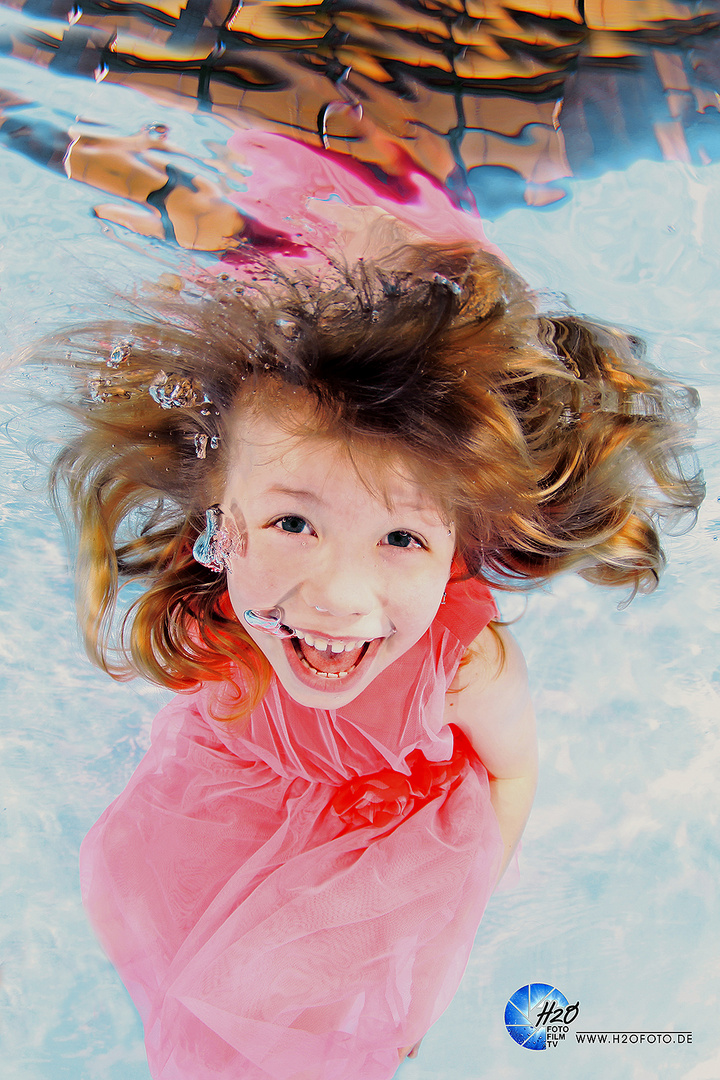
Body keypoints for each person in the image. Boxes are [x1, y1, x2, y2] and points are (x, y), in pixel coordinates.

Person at [41, 231, 702, 1080]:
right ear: (222, 512)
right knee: (163, 943)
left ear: (459, 538)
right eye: (292, 524)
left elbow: (513, 775)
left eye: (400, 537)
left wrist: (439, 950)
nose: (338, 598)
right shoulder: (216, 590)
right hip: (218, 808)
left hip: (374, 856)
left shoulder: (461, 667)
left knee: (283, 1038)